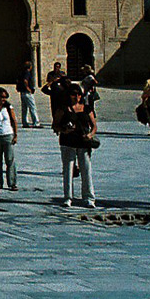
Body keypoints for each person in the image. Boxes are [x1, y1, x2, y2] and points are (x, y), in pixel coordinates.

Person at [57, 79, 99, 207]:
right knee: (68, 171)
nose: (76, 97)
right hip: (68, 142)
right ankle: (68, 197)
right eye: (73, 94)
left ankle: (89, 197)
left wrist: (90, 135)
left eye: (78, 94)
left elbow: (94, 125)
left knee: (86, 170)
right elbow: (55, 125)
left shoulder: (86, 108)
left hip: (83, 142)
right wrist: (65, 130)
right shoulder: (64, 109)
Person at [44, 62, 72, 133]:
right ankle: (55, 123)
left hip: (61, 94)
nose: (57, 68)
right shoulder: (51, 74)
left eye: (58, 67)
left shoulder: (62, 73)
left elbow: (67, 81)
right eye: (56, 67)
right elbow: (48, 82)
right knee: (54, 109)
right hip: (54, 94)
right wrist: (54, 80)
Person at [17, 62, 40, 129]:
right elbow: (25, 81)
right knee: (32, 107)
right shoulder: (27, 73)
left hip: (22, 92)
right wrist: (28, 88)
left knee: (24, 108)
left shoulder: (22, 72)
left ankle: (25, 122)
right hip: (27, 93)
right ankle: (36, 122)